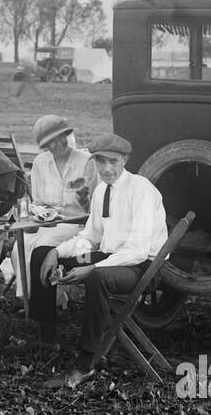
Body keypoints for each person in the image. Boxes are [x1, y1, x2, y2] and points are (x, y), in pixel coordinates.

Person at [37, 134, 168, 388]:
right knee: (42, 253)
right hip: (108, 256)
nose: (106, 168)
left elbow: (138, 251)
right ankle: (46, 337)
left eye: (113, 161)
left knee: (97, 277)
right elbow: (90, 237)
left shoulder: (141, 190)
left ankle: (85, 364)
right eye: (100, 161)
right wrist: (59, 252)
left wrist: (92, 267)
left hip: (140, 267)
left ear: (125, 160)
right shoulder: (101, 190)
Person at [11, 115, 98, 348]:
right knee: (20, 246)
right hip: (48, 220)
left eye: (62, 138)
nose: (59, 144)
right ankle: (39, 303)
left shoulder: (86, 161)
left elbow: (95, 208)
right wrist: (40, 215)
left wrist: (83, 197)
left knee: (43, 246)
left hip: (77, 223)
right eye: (52, 141)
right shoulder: (40, 162)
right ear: (44, 145)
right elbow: (38, 200)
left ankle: (41, 317)